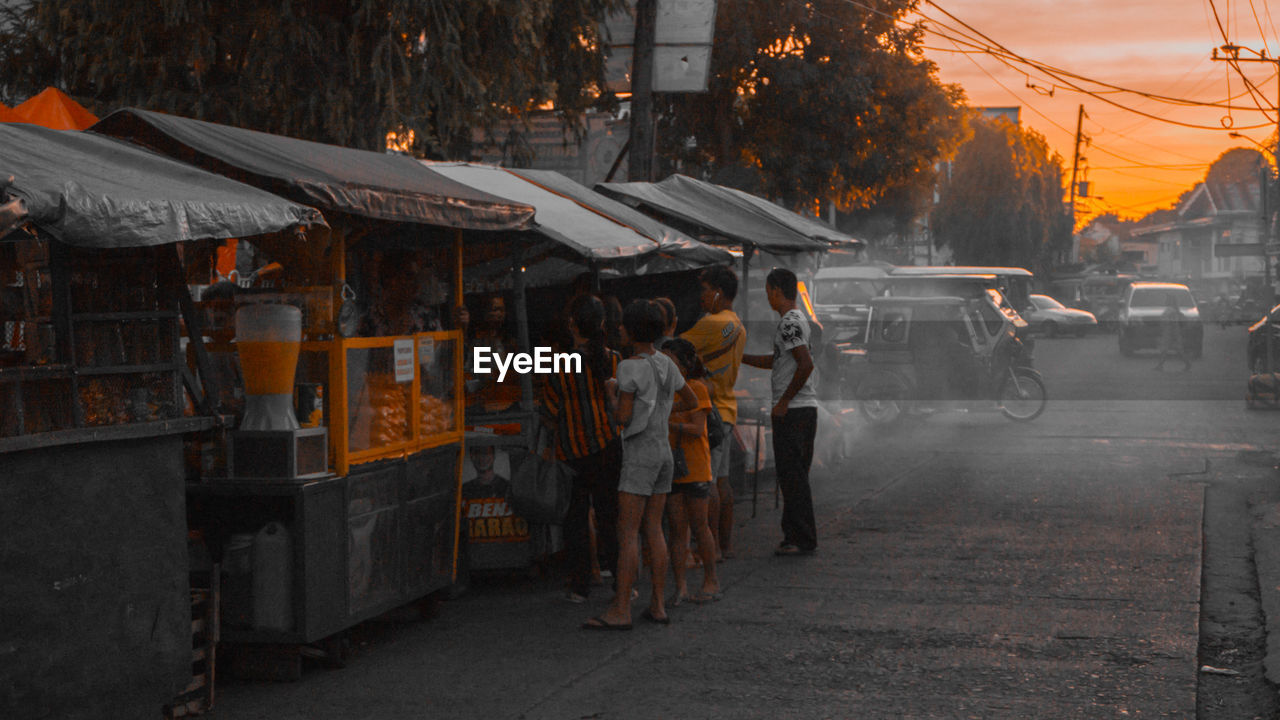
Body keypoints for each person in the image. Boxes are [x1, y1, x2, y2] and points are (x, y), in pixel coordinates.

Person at [583, 300, 696, 630]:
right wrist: (661, 414)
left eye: (622, 325)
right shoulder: (666, 363)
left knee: (628, 532)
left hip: (639, 455)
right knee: (654, 529)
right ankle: (658, 604)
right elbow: (690, 400)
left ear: (632, 330)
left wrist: (610, 394)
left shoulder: (628, 368)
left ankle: (620, 608)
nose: (618, 329)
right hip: (664, 453)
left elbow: (621, 417)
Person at [542, 295, 623, 604]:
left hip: (572, 454)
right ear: (602, 324)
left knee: (575, 521)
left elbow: (549, 416)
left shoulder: (560, 367)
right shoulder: (615, 360)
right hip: (609, 448)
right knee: (610, 518)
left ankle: (580, 586)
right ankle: (620, 579)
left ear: (572, 325)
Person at [742, 268, 819, 556]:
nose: (766, 297)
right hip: (801, 410)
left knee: (794, 477)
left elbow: (805, 364)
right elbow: (779, 362)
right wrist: (742, 358)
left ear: (776, 290)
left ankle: (802, 538)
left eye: (768, 290)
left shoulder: (790, 323)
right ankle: (794, 535)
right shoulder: (795, 321)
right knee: (792, 477)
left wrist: (784, 401)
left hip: (795, 411)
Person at [680, 265, 746, 559]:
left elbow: (674, 349)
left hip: (709, 410)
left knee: (708, 483)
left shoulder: (712, 323)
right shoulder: (737, 324)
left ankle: (713, 547)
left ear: (719, 292)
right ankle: (725, 545)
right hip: (727, 408)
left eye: (705, 291)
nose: (701, 297)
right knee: (722, 481)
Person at [662, 338, 721, 605]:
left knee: (699, 526)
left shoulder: (696, 388)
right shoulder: (665, 391)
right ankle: (681, 587)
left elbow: (698, 429)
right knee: (677, 529)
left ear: (683, 364)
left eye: (670, 360)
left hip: (696, 467)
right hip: (674, 468)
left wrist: (668, 422)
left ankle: (710, 581)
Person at [1155, 293, 1191, 372]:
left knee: (1169, 350)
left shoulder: (1171, 311)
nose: (1165, 301)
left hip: (1170, 332)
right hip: (1171, 332)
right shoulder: (1172, 310)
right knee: (1170, 350)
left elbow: (1172, 323)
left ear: (1169, 301)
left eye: (1167, 299)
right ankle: (1160, 365)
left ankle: (1187, 364)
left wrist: (1171, 334)